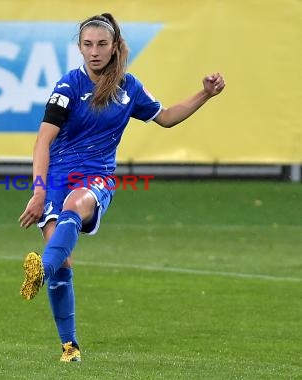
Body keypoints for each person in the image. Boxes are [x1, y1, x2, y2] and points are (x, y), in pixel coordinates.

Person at [18, 12, 226, 362]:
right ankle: (70, 346)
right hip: (56, 177)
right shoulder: (68, 86)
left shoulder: (129, 87)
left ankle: (42, 267)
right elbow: (43, 141)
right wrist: (39, 191)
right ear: (80, 48)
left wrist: (204, 94)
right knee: (64, 264)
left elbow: (167, 117)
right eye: (87, 45)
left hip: (95, 176)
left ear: (115, 47)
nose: (94, 51)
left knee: (76, 204)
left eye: (101, 44)